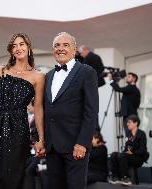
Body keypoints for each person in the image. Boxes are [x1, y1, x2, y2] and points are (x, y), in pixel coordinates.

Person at [0, 33, 45, 189]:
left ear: (29, 47)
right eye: (14, 46)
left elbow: (38, 108)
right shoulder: (1, 70)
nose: (18, 48)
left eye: (22, 44)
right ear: (11, 51)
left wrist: (41, 139)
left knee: (12, 174)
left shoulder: (38, 76)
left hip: (18, 130)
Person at [44, 32, 99, 189]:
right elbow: (45, 109)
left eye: (65, 45)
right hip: (52, 146)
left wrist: (82, 142)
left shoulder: (86, 72)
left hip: (75, 146)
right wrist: (40, 139)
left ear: (75, 50)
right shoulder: (48, 75)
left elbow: (91, 110)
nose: (60, 48)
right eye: (57, 45)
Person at [109, 115, 149, 186]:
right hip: (129, 155)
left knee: (123, 156)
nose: (127, 124)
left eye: (129, 122)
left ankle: (125, 177)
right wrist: (126, 152)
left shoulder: (141, 134)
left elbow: (142, 150)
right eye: (127, 122)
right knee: (114, 154)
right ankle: (115, 177)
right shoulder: (128, 134)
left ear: (136, 123)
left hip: (138, 157)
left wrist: (132, 152)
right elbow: (126, 148)